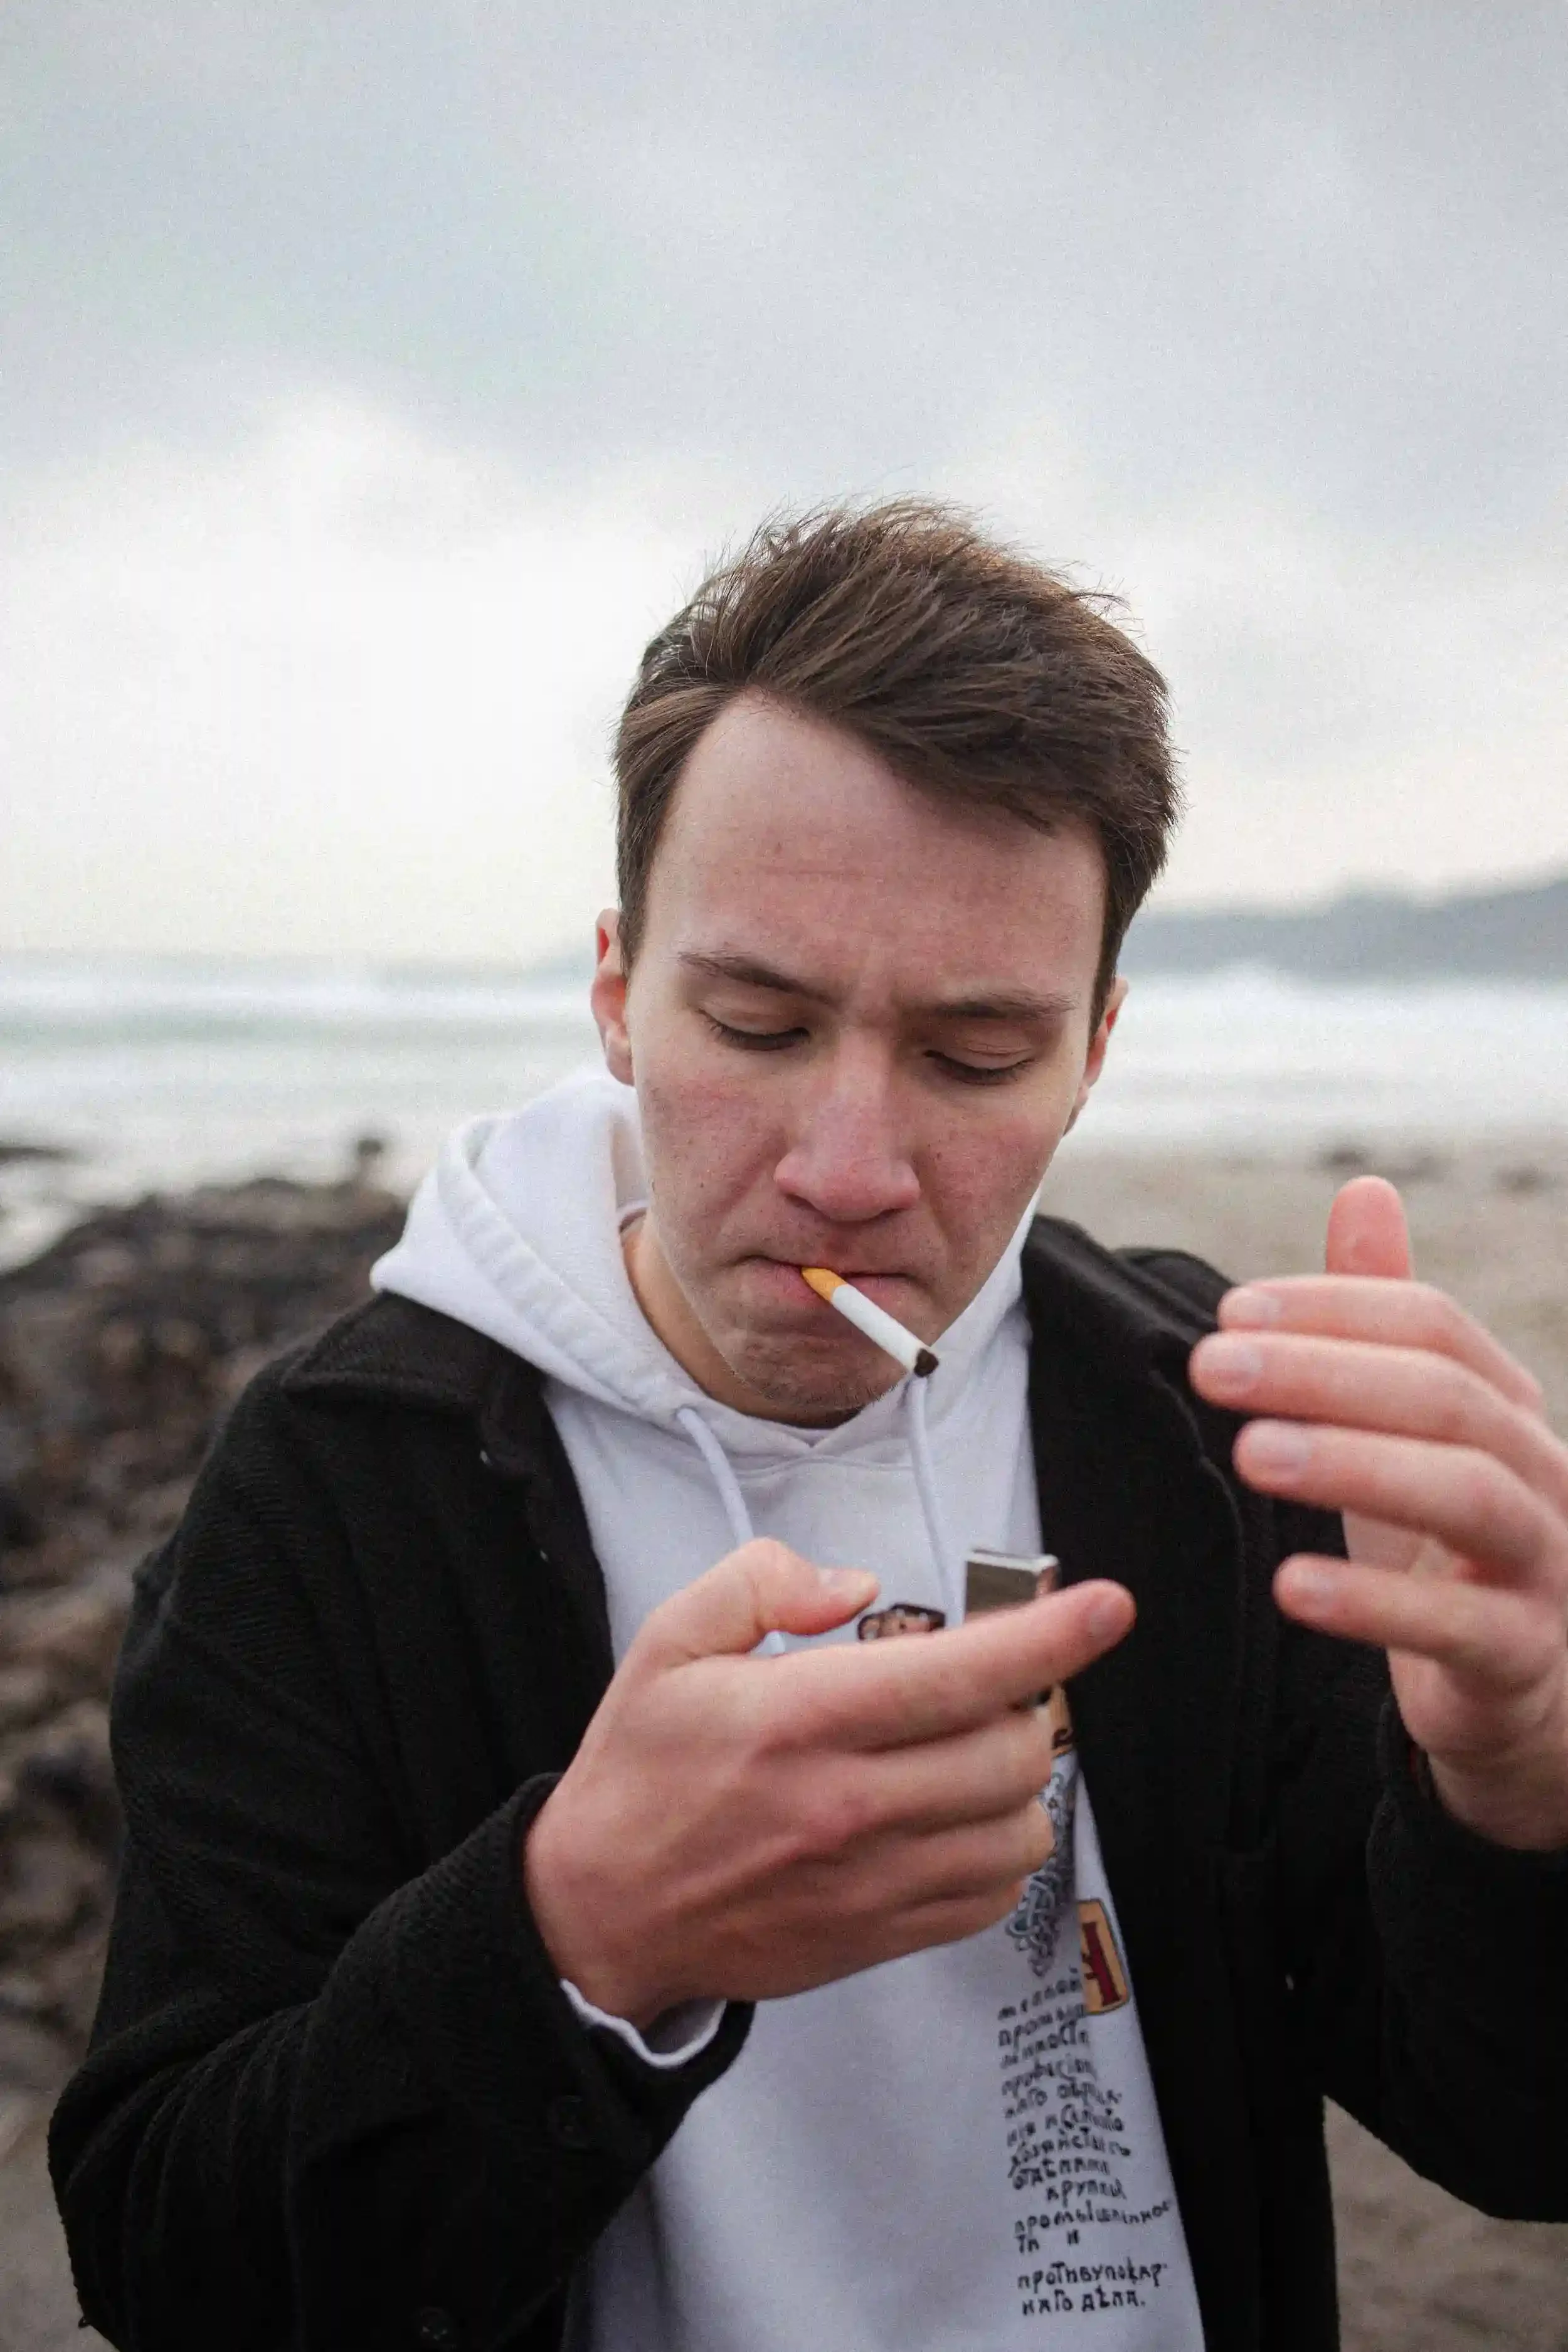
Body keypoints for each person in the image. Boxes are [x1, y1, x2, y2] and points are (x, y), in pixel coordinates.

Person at [50, 504, 1568, 2352]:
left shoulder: (1204, 1431)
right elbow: (167, 2253)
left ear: (1095, 1043)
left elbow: (1511, 2128)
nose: (846, 1170)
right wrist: (572, 1936)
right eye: (757, 1023)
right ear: (616, 991)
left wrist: (1515, 1783)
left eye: (974, 1055)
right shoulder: (338, 1484)